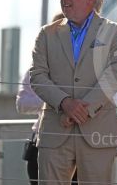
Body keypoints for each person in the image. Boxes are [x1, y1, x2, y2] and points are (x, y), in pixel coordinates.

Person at [30, 0, 117, 185]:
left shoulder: (115, 32)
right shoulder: (46, 34)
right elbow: (37, 76)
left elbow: (115, 77)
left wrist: (79, 110)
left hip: (98, 133)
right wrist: (65, 103)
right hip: (55, 132)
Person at [16, 12, 78, 185]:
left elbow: (111, 98)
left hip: (82, 143)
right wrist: (58, 101)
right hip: (42, 140)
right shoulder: (36, 69)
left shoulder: (94, 66)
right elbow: (21, 104)